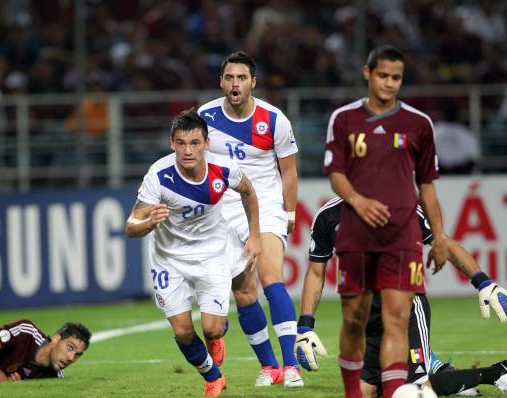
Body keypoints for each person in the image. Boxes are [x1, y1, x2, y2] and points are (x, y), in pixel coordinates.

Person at [322, 44, 452, 398]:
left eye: (396, 77)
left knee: (397, 317)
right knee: (354, 320)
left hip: (402, 235)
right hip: (356, 235)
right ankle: (353, 392)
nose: (390, 83)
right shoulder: (345, 119)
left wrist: (439, 236)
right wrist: (358, 201)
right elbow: (335, 174)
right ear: (367, 73)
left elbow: (427, 185)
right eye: (383, 75)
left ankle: (394, 392)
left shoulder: (418, 123)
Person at [296, 197, 507, 396]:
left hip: (406, 305)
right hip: (366, 313)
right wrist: (305, 326)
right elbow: (316, 272)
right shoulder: (328, 215)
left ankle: (496, 373)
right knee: (366, 391)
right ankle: (444, 373)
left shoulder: (401, 207)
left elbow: (442, 243)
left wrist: (483, 282)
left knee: (413, 389)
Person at [125, 109, 260, 397]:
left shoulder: (223, 169)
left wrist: (255, 235)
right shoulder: (159, 176)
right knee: (184, 332)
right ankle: (213, 377)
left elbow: (248, 192)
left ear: (206, 143)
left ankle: (216, 337)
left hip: (211, 256)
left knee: (212, 329)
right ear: (171, 143)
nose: (188, 150)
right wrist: (148, 222)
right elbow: (131, 224)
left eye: (195, 143)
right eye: (181, 143)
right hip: (168, 261)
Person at [198, 51, 301, 388]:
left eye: (241, 78)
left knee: (271, 276)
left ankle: (291, 366)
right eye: (229, 77)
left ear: (253, 82)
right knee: (244, 293)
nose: (235, 83)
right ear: (221, 82)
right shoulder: (206, 116)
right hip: (224, 210)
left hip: (266, 204)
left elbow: (289, 171)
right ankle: (269, 366)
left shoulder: (274, 119)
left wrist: (289, 212)